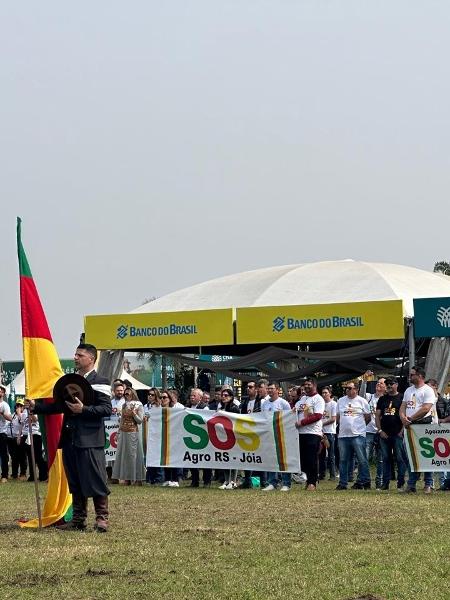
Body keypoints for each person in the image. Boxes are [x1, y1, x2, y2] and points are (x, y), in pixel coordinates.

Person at [27, 343, 112, 532]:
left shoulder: (101, 381)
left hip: (90, 439)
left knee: (95, 479)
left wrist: (84, 409)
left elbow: (106, 409)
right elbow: (58, 406)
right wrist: (36, 407)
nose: (75, 357)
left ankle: (101, 519)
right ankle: (78, 520)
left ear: (91, 358)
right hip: (70, 438)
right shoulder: (70, 381)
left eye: (80, 355)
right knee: (75, 480)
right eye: (75, 354)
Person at [399, 366, 436, 494]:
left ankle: (428, 484)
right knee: (409, 456)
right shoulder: (408, 390)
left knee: (426, 455)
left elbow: (426, 408)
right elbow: (403, 406)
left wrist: (410, 418)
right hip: (409, 427)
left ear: (420, 376)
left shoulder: (428, 390)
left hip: (423, 426)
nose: (410, 377)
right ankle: (411, 484)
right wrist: (403, 417)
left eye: (412, 374)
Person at [335, 382, 371, 490]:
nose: (347, 390)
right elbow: (338, 417)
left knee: (362, 459)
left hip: (358, 435)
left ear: (356, 389)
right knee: (343, 460)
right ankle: (343, 483)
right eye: (346, 388)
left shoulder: (362, 401)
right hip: (343, 435)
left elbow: (368, 417)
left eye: (350, 388)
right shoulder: (341, 401)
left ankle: (365, 481)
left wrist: (360, 428)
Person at [375, 377, 407, 491]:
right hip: (385, 433)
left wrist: (402, 430)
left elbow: (406, 415)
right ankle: (385, 483)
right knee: (386, 459)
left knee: (400, 459)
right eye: (387, 384)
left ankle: (401, 483)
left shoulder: (402, 397)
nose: (388, 386)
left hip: (397, 433)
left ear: (396, 384)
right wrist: (380, 430)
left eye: (391, 383)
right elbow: (377, 415)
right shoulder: (382, 399)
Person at [295, 377, 324, 491]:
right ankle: (308, 479)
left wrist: (302, 422)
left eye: (309, 384)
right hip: (301, 433)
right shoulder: (302, 400)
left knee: (312, 458)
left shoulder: (318, 399)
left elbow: (318, 416)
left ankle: (312, 482)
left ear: (314, 385)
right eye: (305, 385)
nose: (306, 386)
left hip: (313, 433)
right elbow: (294, 411)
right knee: (303, 459)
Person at [261, 382, 292, 492]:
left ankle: (286, 483)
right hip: (269, 434)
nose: (269, 390)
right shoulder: (264, 404)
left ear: (277, 390)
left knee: (283, 459)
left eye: (271, 388)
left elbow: (289, 418)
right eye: (268, 388)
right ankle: (272, 482)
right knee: (271, 458)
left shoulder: (284, 403)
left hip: (281, 433)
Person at [113, 387, 146, 486]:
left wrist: (134, 414)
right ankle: (126, 477)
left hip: (133, 432)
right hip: (124, 432)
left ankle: (137, 478)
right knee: (124, 455)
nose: (126, 396)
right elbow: (122, 420)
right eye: (125, 394)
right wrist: (118, 433)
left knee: (134, 455)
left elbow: (140, 420)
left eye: (128, 394)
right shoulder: (123, 405)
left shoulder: (138, 405)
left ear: (132, 394)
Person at [218, 389, 240, 489]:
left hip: (233, 435)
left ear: (231, 397)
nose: (224, 397)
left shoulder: (234, 408)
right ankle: (226, 481)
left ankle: (233, 481)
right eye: (222, 395)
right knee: (225, 458)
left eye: (226, 395)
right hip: (222, 436)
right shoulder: (221, 408)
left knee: (233, 458)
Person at [318, 386, 337, 481]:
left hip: (330, 432)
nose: (324, 394)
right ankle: (322, 474)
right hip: (320, 432)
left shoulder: (333, 404)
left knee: (331, 454)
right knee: (321, 454)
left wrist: (321, 423)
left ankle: (332, 475)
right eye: (323, 393)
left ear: (330, 393)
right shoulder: (320, 404)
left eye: (326, 392)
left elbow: (333, 419)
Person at [6, 399, 28, 480]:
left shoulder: (23, 415)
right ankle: (14, 474)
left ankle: (23, 473)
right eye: (17, 406)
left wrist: (19, 413)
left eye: (20, 406)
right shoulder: (13, 415)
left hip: (19, 438)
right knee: (14, 457)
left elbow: (22, 422)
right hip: (10, 438)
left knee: (22, 456)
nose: (18, 407)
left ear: (23, 407)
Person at [0, 384, 12, 483]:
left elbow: (10, 418)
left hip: (2, 433)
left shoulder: (4, 405)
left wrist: (1, 413)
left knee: (4, 455)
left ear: (3, 393)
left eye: (1, 390)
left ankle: (4, 475)